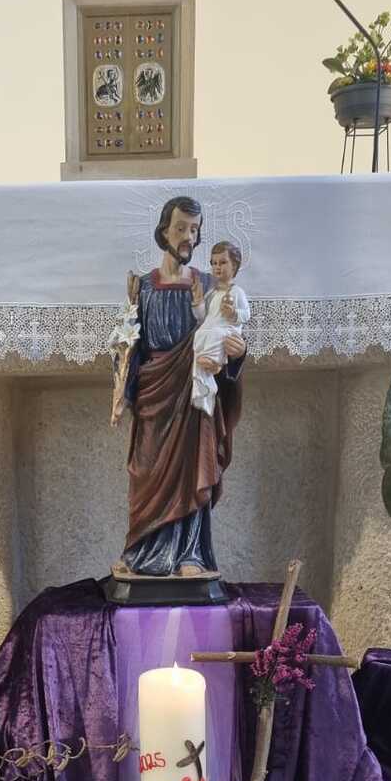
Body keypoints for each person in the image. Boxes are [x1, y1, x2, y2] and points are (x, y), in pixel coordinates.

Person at [111, 196, 246, 580]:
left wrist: (236, 355)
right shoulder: (143, 287)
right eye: (181, 228)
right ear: (164, 231)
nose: (188, 236)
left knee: (192, 470)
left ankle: (191, 554)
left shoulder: (209, 286)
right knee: (146, 471)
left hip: (194, 393)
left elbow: (227, 335)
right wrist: (121, 396)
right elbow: (127, 345)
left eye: (194, 229)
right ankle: (139, 551)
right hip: (155, 392)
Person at [191, 241, 250, 418]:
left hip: (226, 330)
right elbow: (202, 317)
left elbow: (246, 314)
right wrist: (198, 301)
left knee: (215, 335)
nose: (218, 267)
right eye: (214, 263)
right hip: (210, 328)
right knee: (199, 335)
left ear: (235, 266)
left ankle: (215, 363)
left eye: (223, 262)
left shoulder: (237, 292)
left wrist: (233, 313)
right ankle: (202, 384)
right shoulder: (212, 292)